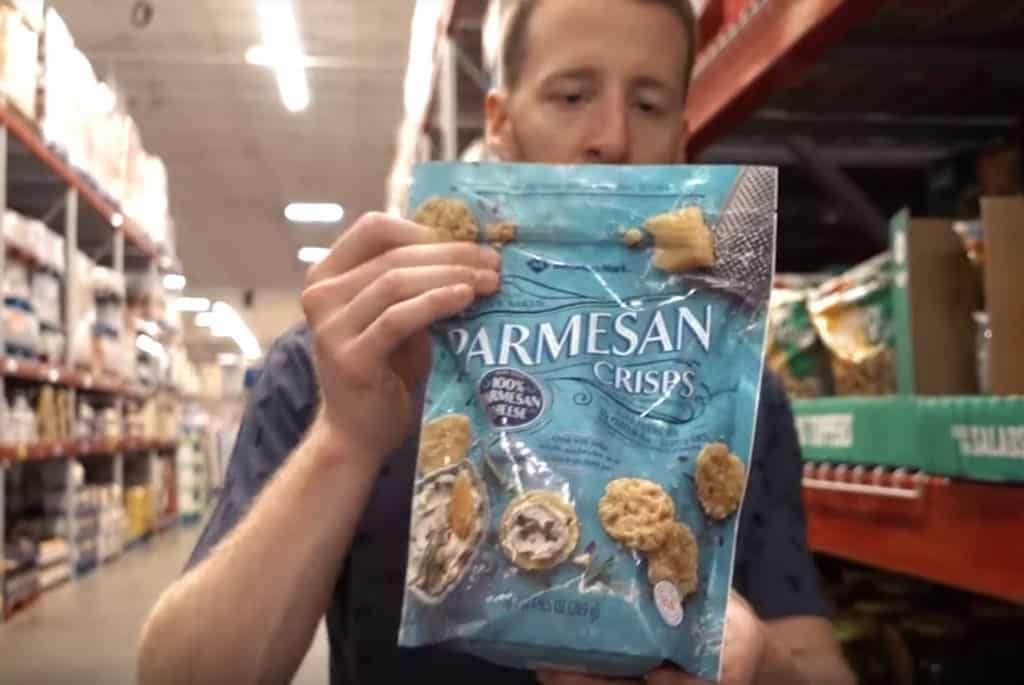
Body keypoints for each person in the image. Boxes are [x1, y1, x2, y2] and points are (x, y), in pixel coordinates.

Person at [138, 1, 856, 683]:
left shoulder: (739, 391)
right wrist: (345, 440)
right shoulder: (349, 361)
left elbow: (813, 659)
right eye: (572, 95)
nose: (611, 135)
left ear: (682, 135)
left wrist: (761, 666)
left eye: (648, 102)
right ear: (501, 122)